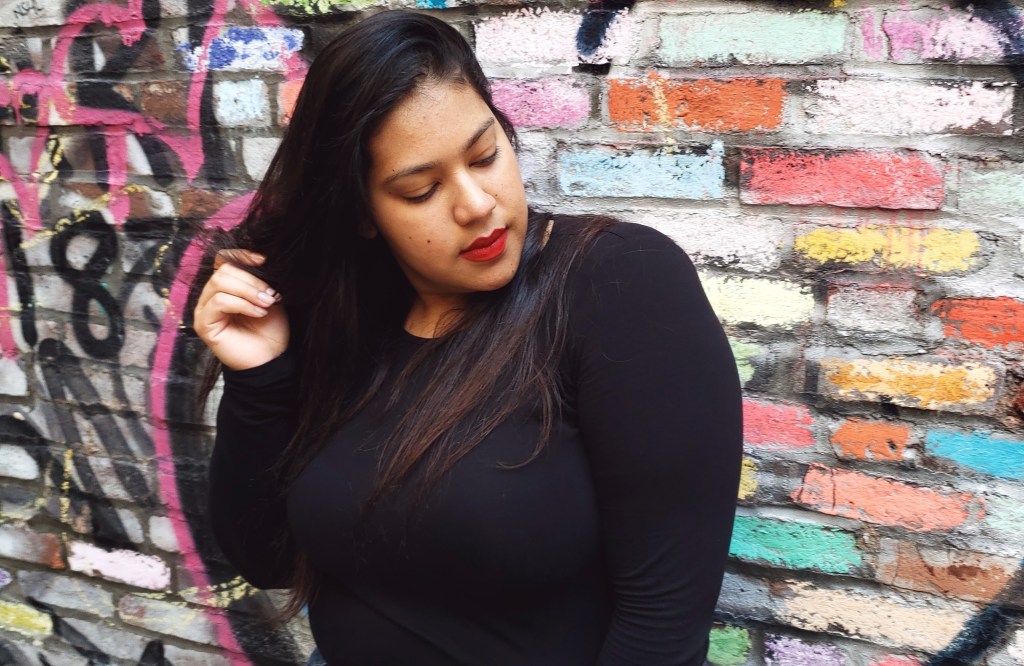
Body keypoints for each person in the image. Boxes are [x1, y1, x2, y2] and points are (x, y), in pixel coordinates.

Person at [193, 10, 743, 665]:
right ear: (364, 213)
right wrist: (258, 378)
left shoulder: (618, 283)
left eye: (485, 156)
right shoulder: (347, 319)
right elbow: (267, 560)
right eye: (421, 190)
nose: (477, 203)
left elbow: (663, 626)